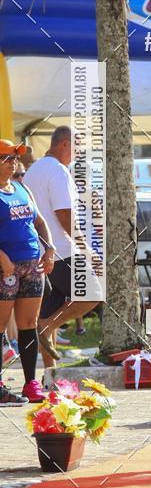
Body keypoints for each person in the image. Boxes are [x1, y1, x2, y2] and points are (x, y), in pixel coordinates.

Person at [24, 126, 100, 372]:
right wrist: (85, 248)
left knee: (50, 313)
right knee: (93, 293)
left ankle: (50, 376)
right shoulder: (58, 170)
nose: (78, 154)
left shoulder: (33, 170)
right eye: (77, 148)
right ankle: (46, 327)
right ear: (65, 144)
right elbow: (64, 215)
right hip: (62, 250)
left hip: (39, 252)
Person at [0, 139, 56, 405]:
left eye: (14, 158)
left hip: (32, 264)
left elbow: (39, 221)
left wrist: (50, 249)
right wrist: (2, 258)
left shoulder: (21, 188)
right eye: (7, 158)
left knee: (28, 324)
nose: (13, 163)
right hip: (5, 267)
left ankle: (30, 383)